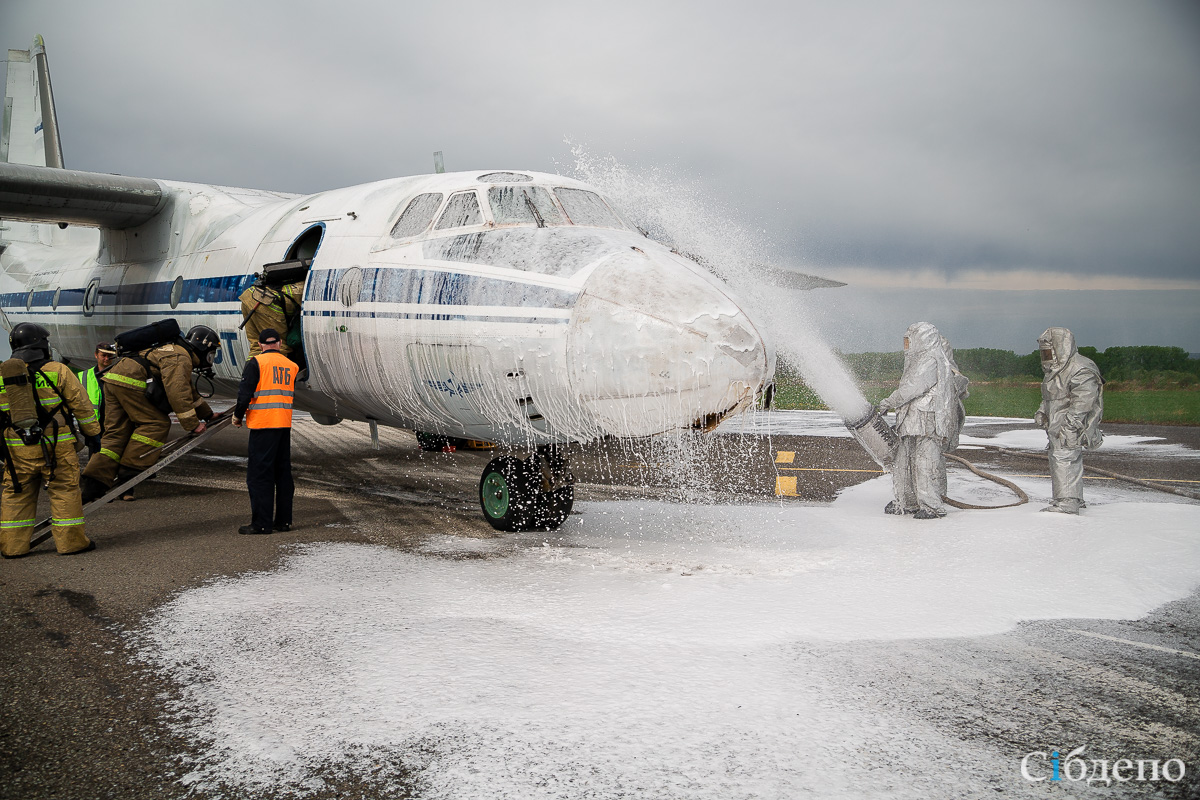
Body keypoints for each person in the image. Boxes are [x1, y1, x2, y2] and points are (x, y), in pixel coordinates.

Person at [80, 326, 220, 501]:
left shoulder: (172, 350)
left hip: (113, 380)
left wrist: (207, 415)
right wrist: (192, 424)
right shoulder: (180, 356)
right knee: (156, 423)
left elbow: (188, 390)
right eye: (211, 353)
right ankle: (130, 469)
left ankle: (94, 482)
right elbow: (178, 391)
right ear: (203, 347)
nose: (210, 358)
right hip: (130, 383)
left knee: (116, 434)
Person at [0, 323, 102, 558]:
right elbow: (82, 406)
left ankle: (13, 547)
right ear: (40, 345)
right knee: (65, 492)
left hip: (16, 451)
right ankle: (71, 544)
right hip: (56, 447)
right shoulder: (57, 370)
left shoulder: (2, 374)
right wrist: (92, 434)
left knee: (16, 495)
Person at [877, 322, 958, 519]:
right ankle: (907, 502)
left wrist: (888, 402)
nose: (906, 346)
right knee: (904, 461)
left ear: (922, 340)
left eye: (909, 341)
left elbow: (912, 388)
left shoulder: (930, 359)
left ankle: (932, 506)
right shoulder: (917, 361)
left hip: (927, 422)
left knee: (925, 462)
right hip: (912, 421)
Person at [233, 328, 296, 535]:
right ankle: (284, 522)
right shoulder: (291, 366)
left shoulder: (256, 363)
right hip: (283, 425)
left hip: (263, 425)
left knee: (259, 476)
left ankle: (261, 523)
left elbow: (245, 394)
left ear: (260, 345)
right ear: (279, 343)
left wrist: (238, 415)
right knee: (283, 474)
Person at [1034, 327, 1104, 514]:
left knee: (1066, 459)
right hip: (1057, 424)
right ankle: (1070, 498)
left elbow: (1084, 400)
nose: (1046, 356)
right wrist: (1043, 411)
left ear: (1060, 346)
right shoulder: (1056, 371)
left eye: (1049, 351)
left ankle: (1068, 502)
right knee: (1060, 458)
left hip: (1069, 424)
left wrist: (1071, 425)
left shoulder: (1080, 368)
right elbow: (1050, 396)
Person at [239, 277, 305, 363]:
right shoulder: (308, 286)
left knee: (257, 345)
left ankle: (250, 374)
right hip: (267, 303)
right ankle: (274, 375)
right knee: (277, 346)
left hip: (249, 296)